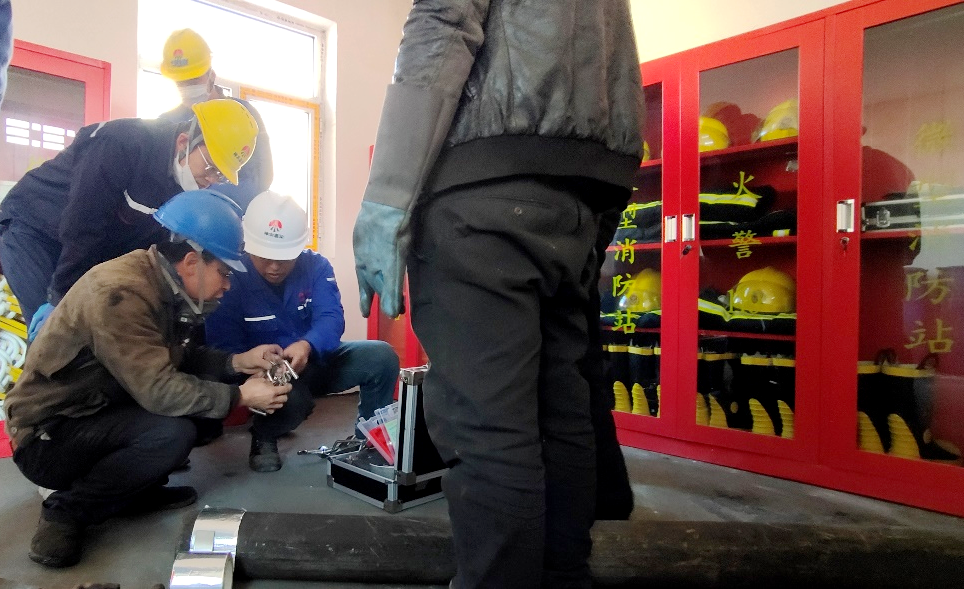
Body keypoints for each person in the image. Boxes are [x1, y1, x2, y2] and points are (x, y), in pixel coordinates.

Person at [353, 1, 644, 587]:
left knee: (489, 430)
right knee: (560, 414)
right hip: (577, 197)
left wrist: (387, 196)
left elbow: (443, 23)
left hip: (481, 190)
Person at [3, 189, 291, 568]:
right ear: (192, 262)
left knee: (193, 415)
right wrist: (241, 397)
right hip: (48, 434)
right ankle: (66, 512)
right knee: (172, 432)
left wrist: (238, 362)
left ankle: (130, 492)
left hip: (96, 406)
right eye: (224, 273)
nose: (226, 285)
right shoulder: (121, 293)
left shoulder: (162, 284)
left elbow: (176, 358)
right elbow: (159, 390)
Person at [0, 98, 259, 332]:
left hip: (80, 246)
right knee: (54, 334)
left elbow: (143, 245)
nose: (211, 180)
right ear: (184, 142)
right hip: (32, 229)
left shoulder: (179, 181)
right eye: (210, 167)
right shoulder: (122, 144)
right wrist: (59, 298)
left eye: (220, 175)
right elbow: (83, 225)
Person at [207, 190, 399, 472]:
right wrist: (251, 370)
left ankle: (371, 440)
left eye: (285, 258)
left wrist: (307, 345)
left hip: (315, 361)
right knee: (294, 400)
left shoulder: (316, 266)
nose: (274, 267)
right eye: (265, 257)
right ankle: (264, 435)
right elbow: (222, 346)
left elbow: (331, 319)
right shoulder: (231, 277)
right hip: (262, 376)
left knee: (381, 357)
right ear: (248, 245)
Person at [158, 28, 273, 210]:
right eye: (181, 82)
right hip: (181, 220)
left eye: (193, 80)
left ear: (211, 75)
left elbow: (263, 177)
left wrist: (217, 202)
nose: (187, 88)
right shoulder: (167, 123)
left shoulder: (244, 114)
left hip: (235, 216)